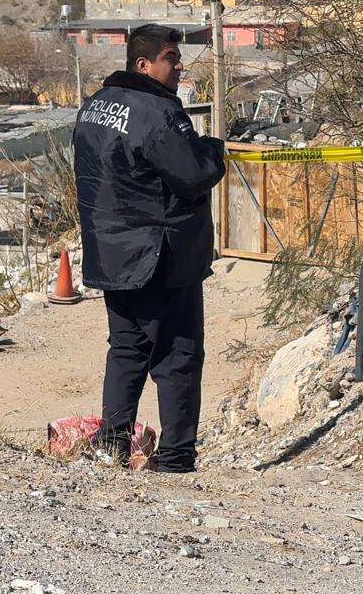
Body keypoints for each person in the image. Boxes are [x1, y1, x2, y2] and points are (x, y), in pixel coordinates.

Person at [72, 24, 226, 473]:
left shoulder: (94, 107)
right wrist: (212, 149)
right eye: (171, 59)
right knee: (178, 357)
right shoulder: (157, 113)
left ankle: (112, 445)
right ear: (143, 65)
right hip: (161, 257)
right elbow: (194, 173)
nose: (179, 68)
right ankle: (176, 457)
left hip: (112, 254)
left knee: (126, 350)